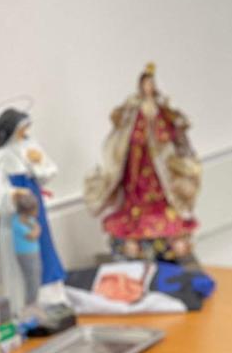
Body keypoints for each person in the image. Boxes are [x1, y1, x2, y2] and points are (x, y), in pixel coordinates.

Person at [84, 63, 200, 261]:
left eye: (151, 84)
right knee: (136, 186)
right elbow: (122, 125)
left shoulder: (161, 106)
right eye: (146, 84)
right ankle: (135, 232)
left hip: (157, 160)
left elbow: (169, 130)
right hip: (137, 158)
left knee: (161, 186)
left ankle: (164, 228)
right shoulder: (133, 106)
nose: (148, 87)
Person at [0, 107, 67, 316]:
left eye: (26, 127)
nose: (24, 132)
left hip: (35, 207)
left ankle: (51, 297)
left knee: (45, 250)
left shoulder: (30, 146)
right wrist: (14, 195)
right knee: (24, 261)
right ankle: (25, 304)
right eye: (21, 128)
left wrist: (38, 164)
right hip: (16, 213)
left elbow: (48, 172)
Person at [11, 189, 42, 311]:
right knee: (31, 279)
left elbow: (37, 230)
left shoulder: (29, 220)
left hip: (34, 251)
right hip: (25, 253)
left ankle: (34, 303)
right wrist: (36, 228)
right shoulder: (17, 222)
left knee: (36, 277)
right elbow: (33, 235)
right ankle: (30, 305)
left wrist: (35, 228)